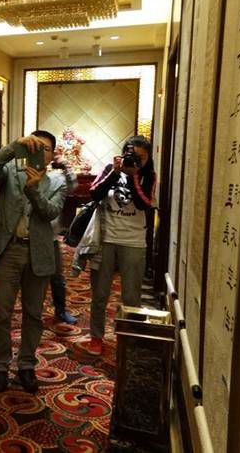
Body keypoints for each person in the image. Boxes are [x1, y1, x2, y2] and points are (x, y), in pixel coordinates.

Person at [0, 131, 67, 393]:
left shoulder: (57, 182)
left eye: (46, 149)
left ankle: (26, 365)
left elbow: (51, 212)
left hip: (39, 253)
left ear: (52, 155)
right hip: (8, 250)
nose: (40, 152)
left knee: (33, 314)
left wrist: (33, 190)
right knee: (1, 312)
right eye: (35, 146)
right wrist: (14, 146)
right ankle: (0, 366)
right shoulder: (10, 171)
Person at [78, 136, 156, 356]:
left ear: (148, 158)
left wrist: (133, 176)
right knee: (99, 294)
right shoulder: (110, 170)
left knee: (131, 296)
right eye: (132, 155)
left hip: (134, 242)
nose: (136, 160)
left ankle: (128, 337)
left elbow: (144, 203)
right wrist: (115, 172)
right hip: (105, 240)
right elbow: (94, 193)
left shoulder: (149, 176)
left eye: (141, 157)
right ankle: (96, 337)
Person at [49, 155, 78, 325]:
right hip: (27, 236)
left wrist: (66, 166)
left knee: (57, 278)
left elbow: (72, 186)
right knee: (19, 277)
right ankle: (0, 312)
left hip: (51, 236)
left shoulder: (57, 177)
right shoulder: (25, 174)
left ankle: (60, 311)